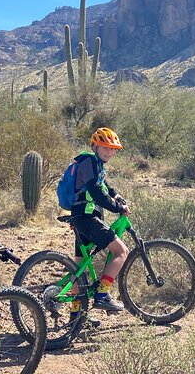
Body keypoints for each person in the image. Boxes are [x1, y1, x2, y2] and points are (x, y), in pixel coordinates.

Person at [69, 127, 130, 317]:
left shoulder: (96, 164)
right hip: (87, 219)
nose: (109, 152)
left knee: (79, 269)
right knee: (121, 251)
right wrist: (118, 208)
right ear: (94, 145)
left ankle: (76, 316)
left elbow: (103, 185)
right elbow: (96, 192)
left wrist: (116, 195)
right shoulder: (89, 160)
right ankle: (102, 294)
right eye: (105, 147)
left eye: (112, 149)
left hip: (82, 218)